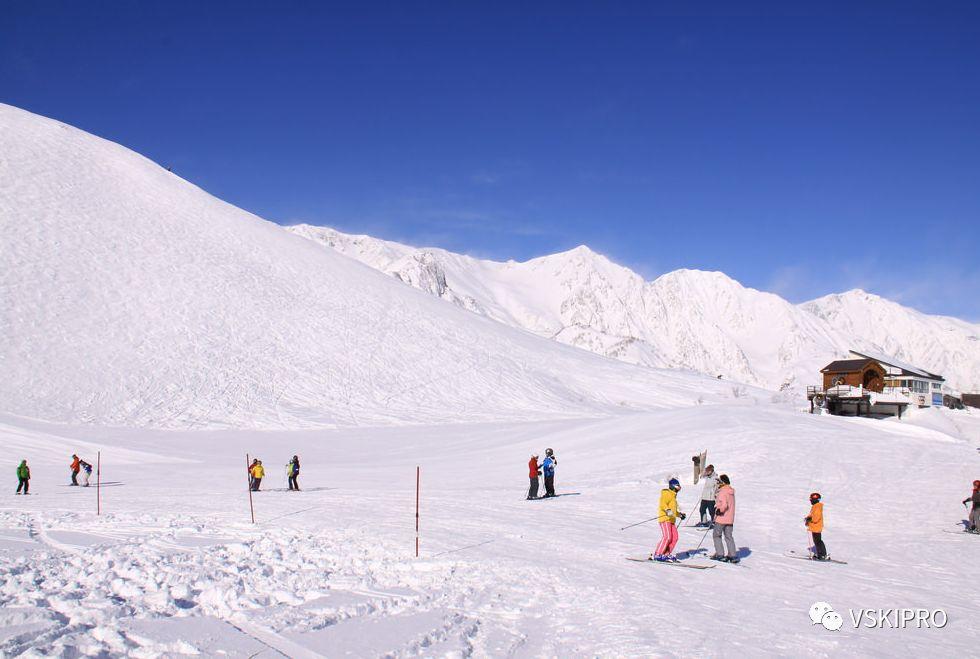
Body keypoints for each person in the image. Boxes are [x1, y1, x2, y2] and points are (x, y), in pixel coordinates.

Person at [653, 478, 686, 562]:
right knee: (667, 537)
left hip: (671, 520)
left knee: (675, 537)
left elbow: (673, 511)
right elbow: (662, 503)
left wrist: (679, 515)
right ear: (672, 486)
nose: (679, 488)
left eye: (679, 486)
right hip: (665, 519)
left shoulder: (673, 496)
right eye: (677, 486)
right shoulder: (667, 493)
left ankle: (666, 554)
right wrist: (667, 510)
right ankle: (658, 554)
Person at [711, 474, 737, 562]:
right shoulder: (731, 492)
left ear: (723, 482)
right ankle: (732, 555)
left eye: (719, 482)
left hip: (721, 518)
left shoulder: (722, 492)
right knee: (729, 536)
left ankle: (720, 554)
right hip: (730, 519)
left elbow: (724, 504)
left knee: (716, 535)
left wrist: (719, 510)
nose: (718, 483)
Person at [805, 492, 827, 560]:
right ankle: (820, 554)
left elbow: (816, 518)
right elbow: (812, 515)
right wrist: (808, 519)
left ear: (814, 500)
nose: (810, 501)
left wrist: (810, 519)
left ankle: (822, 555)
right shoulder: (815, 506)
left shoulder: (817, 507)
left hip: (816, 526)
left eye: (811, 499)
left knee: (818, 541)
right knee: (817, 540)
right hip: (815, 526)